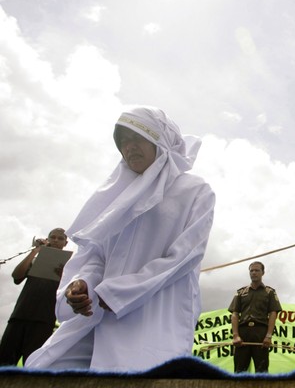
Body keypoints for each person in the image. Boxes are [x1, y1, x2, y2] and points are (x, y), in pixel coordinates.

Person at [25, 106, 215, 371]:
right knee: (47, 369)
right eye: (123, 141)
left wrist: (120, 292)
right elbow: (98, 255)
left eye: (137, 138)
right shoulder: (115, 194)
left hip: (152, 314)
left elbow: (184, 257)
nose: (129, 147)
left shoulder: (194, 191)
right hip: (96, 313)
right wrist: (82, 285)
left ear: (160, 140)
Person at [0, 228, 68, 365]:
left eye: (60, 238)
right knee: (4, 361)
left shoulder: (69, 267)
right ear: (47, 240)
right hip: (19, 316)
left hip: (44, 320)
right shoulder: (35, 260)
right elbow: (17, 276)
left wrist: (63, 276)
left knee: (33, 364)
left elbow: (67, 293)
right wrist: (35, 250)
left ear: (65, 243)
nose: (55, 240)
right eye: (52, 237)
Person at [229, 261, 282, 373]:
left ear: (263, 273)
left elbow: (273, 313)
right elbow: (234, 314)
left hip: (260, 334)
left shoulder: (269, 292)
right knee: (239, 370)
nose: (254, 273)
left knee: (262, 371)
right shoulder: (240, 292)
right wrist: (235, 335)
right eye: (251, 270)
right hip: (243, 334)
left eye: (257, 270)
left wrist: (268, 335)